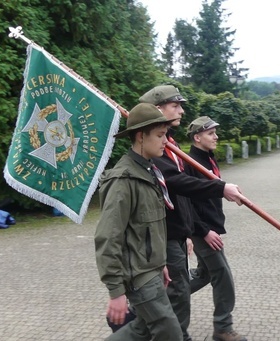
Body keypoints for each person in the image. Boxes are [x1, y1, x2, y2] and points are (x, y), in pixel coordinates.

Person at [139, 85, 245, 341]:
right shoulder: (159, 147)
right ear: (158, 109)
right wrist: (219, 194)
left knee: (184, 286)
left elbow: (181, 195)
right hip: (171, 230)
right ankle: (217, 327)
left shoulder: (171, 144)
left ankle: (146, 316)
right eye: (175, 105)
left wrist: (188, 232)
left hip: (181, 230)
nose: (182, 110)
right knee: (189, 288)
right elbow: (179, 184)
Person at [94, 103, 182, 340]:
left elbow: (150, 228)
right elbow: (108, 237)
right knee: (171, 333)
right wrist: (116, 292)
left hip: (151, 272)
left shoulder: (148, 172)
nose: (166, 141)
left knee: (140, 331)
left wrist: (160, 263)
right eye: (160, 135)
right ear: (141, 136)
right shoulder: (123, 180)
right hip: (139, 280)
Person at [183, 116, 247, 341]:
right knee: (223, 274)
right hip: (202, 230)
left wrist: (227, 195)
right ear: (197, 137)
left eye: (215, 132)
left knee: (205, 274)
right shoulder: (189, 162)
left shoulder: (208, 159)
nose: (216, 137)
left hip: (210, 227)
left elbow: (208, 192)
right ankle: (222, 327)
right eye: (211, 133)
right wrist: (203, 231)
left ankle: (159, 298)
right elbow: (186, 204)